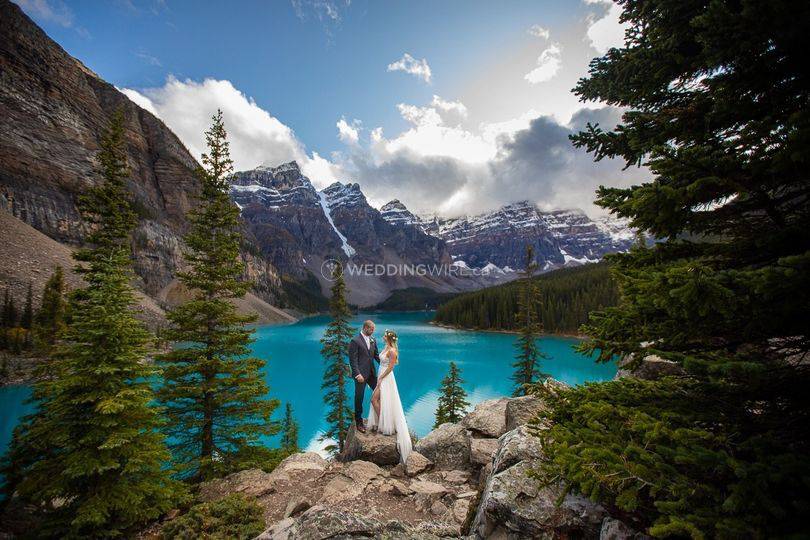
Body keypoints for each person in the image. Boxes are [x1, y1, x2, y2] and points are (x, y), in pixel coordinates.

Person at [367, 328, 412, 463]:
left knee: (374, 399)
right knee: (379, 400)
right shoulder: (386, 348)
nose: (383, 337)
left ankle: (385, 423)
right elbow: (379, 360)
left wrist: (381, 378)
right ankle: (384, 422)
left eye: (385, 336)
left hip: (386, 378)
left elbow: (391, 367)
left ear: (389, 338)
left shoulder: (392, 351)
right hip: (381, 375)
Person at [348, 320, 380, 433]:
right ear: (365, 328)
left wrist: (386, 364)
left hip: (371, 374)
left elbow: (376, 356)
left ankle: (380, 418)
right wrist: (357, 374)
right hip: (360, 375)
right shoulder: (355, 341)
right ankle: (359, 422)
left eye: (373, 329)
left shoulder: (373, 340)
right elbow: (353, 360)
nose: (372, 331)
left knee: (380, 393)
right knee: (359, 398)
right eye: (371, 329)